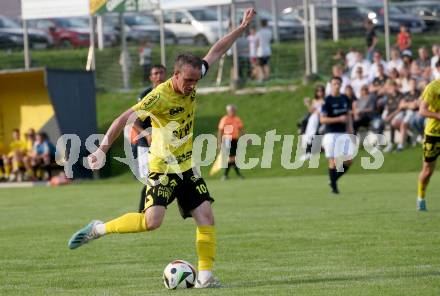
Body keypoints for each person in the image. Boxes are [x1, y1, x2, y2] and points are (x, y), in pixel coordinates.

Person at [67, 8, 257, 289]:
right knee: (152, 222)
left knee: (205, 215)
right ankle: (98, 229)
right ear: (176, 75)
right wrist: (102, 149)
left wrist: (240, 29)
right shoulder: (159, 96)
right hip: (162, 168)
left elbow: (216, 51)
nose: (193, 85)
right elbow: (123, 119)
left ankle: (205, 278)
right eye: (188, 80)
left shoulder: (193, 76)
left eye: (196, 80)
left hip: (186, 166)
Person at [135, 64, 167, 213]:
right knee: (150, 179)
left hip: (165, 144)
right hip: (146, 143)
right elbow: (133, 121)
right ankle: (143, 212)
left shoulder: (172, 93)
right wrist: (147, 134)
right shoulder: (146, 95)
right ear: (151, 77)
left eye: (161, 73)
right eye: (155, 73)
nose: (158, 76)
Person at [320, 77, 354, 194]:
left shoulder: (345, 98)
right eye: (334, 84)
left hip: (343, 133)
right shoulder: (327, 100)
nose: (337, 86)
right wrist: (338, 118)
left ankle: (333, 180)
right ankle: (334, 189)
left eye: (339, 84)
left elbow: (348, 116)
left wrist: (351, 129)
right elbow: (323, 119)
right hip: (331, 133)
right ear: (331, 85)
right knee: (333, 161)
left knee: (349, 160)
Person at [417, 79, 440, 211]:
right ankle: (421, 197)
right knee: (427, 172)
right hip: (434, 135)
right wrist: (438, 115)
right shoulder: (433, 87)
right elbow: (422, 111)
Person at [217, 104, 245, 180]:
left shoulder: (237, 119)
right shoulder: (224, 119)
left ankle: (225, 175)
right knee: (232, 158)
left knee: (232, 158)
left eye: (233, 110)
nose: (232, 112)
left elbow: (241, 129)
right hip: (227, 140)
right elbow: (220, 131)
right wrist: (219, 142)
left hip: (235, 140)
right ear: (228, 111)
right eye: (230, 110)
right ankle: (238, 175)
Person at [301, 85, 325, 160]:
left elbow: (320, 111)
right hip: (313, 118)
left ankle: (309, 152)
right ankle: (308, 152)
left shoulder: (325, 100)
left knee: (313, 133)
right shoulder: (315, 100)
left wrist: (313, 108)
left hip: (320, 119)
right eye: (318, 91)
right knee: (309, 134)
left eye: (321, 91)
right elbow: (311, 111)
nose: (319, 93)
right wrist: (308, 104)